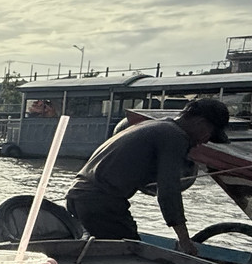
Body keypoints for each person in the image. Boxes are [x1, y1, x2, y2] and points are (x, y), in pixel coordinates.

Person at [66, 98, 230, 255]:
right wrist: (184, 240)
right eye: (210, 135)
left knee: (110, 251)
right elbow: (168, 192)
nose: (205, 141)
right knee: (130, 254)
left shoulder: (154, 125)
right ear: (200, 123)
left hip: (77, 195)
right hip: (99, 202)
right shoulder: (175, 136)